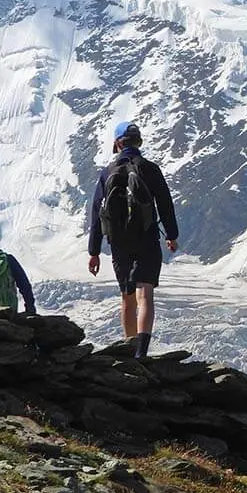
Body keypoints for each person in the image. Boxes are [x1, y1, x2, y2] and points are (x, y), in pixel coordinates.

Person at [87, 122, 179, 359]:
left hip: (119, 243)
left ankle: (128, 349)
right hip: (147, 237)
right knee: (144, 293)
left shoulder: (107, 172)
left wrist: (94, 251)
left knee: (127, 298)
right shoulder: (150, 168)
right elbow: (165, 205)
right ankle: (142, 351)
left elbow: (97, 213)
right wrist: (171, 235)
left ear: (117, 143)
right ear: (138, 142)